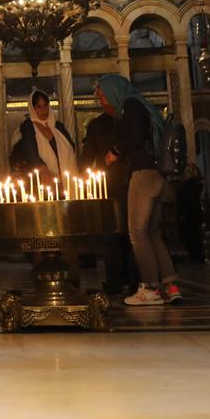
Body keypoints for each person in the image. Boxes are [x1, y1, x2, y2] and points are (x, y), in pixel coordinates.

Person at [95, 74, 181, 306]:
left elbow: (133, 136)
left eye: (103, 95)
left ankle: (150, 287)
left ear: (114, 90)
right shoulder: (141, 103)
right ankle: (171, 285)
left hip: (143, 174)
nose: (102, 101)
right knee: (152, 232)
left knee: (137, 233)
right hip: (157, 175)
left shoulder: (131, 106)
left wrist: (115, 151)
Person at [80, 108, 139, 295]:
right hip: (118, 184)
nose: (103, 101)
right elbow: (88, 156)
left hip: (117, 185)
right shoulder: (100, 125)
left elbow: (86, 159)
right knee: (118, 235)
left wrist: (83, 174)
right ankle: (129, 281)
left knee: (120, 234)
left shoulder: (107, 123)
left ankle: (122, 281)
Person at [9, 89, 78, 178]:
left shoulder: (57, 126)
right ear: (32, 108)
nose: (43, 110)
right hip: (38, 178)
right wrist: (41, 166)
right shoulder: (28, 127)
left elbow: (71, 147)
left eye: (45, 105)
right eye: (39, 106)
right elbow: (30, 150)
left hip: (63, 177)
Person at [176, 162, 207, 264]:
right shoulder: (189, 184)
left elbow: (190, 199)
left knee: (193, 237)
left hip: (190, 214)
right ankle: (196, 256)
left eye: (189, 170)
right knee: (189, 236)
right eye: (186, 170)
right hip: (188, 214)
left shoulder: (193, 184)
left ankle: (197, 257)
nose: (187, 172)